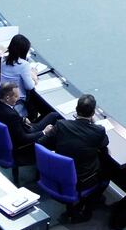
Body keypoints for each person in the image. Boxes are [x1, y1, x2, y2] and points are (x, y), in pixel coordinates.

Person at [38, 93, 111, 221]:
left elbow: (41, 142)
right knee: (107, 173)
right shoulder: (98, 131)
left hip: (57, 172)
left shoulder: (61, 125)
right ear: (93, 113)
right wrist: (93, 124)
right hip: (83, 179)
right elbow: (104, 143)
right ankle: (88, 208)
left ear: (76, 110)